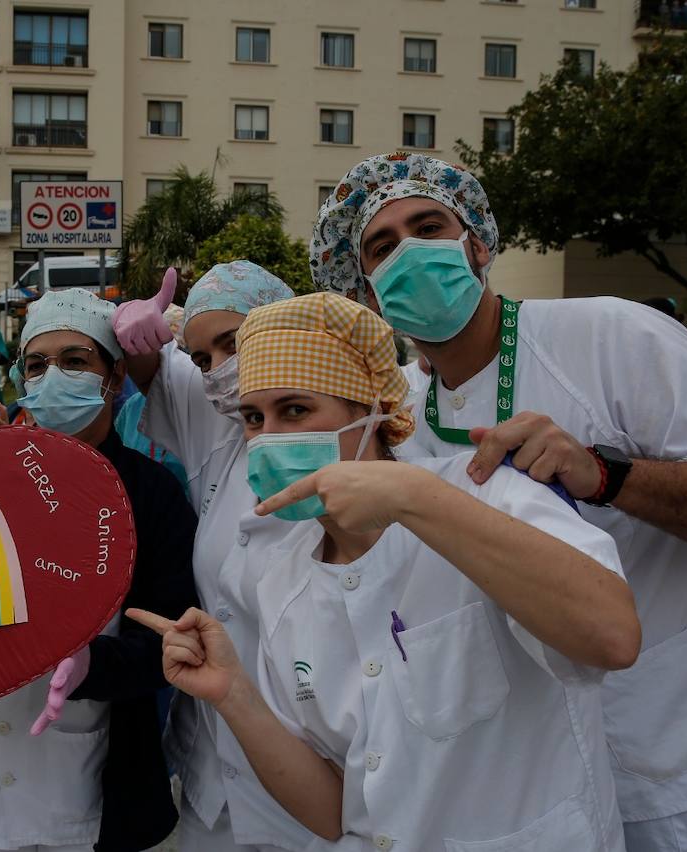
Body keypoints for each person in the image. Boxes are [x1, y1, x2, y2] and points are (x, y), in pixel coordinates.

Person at [310, 151, 687, 851]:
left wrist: (608, 476)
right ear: (365, 292)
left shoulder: (610, 337)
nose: (409, 254)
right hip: (529, 802)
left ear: (476, 244)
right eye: (382, 247)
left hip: (681, 767)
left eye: (428, 227)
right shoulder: (398, 416)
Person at [134, 292, 639, 849]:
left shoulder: (487, 494)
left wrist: (413, 496)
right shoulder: (280, 581)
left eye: (296, 409)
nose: (269, 436)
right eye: (254, 418)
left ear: (371, 407)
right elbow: (333, 810)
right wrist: (234, 694)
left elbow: (612, 637)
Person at [0, 288, 199, 852]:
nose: (53, 376)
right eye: (38, 365)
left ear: (114, 378)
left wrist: (94, 661)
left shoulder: (152, 495)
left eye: (75, 361)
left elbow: (170, 640)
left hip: (88, 795)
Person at [109, 262, 313, 852]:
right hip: (215, 772)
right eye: (203, 357)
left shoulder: (353, 435)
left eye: (237, 340)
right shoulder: (219, 425)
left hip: (315, 759)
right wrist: (138, 335)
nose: (221, 367)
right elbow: (156, 370)